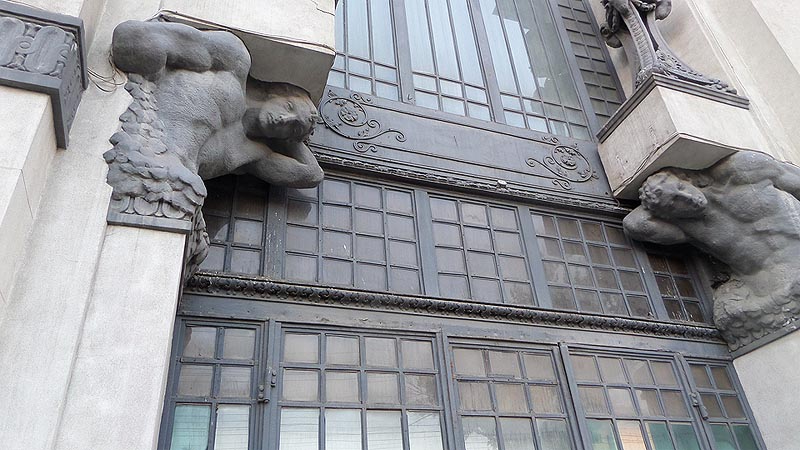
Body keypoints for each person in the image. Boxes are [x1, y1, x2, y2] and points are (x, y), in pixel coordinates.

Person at [110, 19, 324, 188]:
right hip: (131, 138)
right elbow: (139, 38)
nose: (283, 119)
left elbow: (312, 175)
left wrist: (296, 134)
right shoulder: (234, 63)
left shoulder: (249, 153)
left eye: (292, 127)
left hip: (163, 188)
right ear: (279, 92)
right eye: (288, 107)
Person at [624, 150, 800, 348]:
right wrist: (656, 201)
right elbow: (634, 224)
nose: (686, 197)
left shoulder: (741, 170)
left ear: (685, 178)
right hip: (776, 290)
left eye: (681, 187)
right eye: (674, 202)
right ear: (667, 214)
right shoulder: (689, 229)